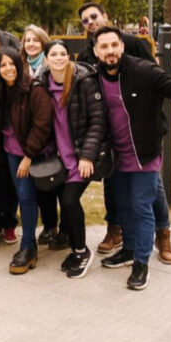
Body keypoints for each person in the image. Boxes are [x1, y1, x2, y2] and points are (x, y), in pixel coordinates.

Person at [93, 26, 171, 290]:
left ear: (122, 46)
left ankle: (141, 263)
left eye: (114, 45)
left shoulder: (143, 70)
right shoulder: (94, 77)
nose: (110, 51)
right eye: (104, 47)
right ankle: (129, 250)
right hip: (116, 157)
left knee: (141, 206)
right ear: (96, 51)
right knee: (124, 206)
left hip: (144, 154)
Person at [75, 2, 171, 263]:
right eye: (85, 21)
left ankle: (162, 233)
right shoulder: (87, 56)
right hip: (111, 134)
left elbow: (156, 80)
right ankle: (116, 230)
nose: (91, 22)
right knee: (114, 184)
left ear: (105, 15)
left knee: (153, 188)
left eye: (94, 17)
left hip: (142, 131)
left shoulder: (134, 44)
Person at [36, 40, 109, 278]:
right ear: (46, 59)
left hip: (79, 158)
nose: (58, 57)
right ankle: (75, 247)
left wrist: (87, 156)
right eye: (53, 54)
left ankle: (81, 251)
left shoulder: (83, 82)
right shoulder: (43, 84)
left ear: (69, 57)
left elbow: (98, 122)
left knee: (69, 201)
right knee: (63, 203)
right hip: (57, 160)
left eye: (63, 54)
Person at [0, 48, 54, 275]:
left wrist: (28, 156)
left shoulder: (34, 90)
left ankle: (28, 246)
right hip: (10, 153)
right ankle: (30, 240)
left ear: (19, 64)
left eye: (11, 64)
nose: (7, 69)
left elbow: (42, 124)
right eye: (2, 66)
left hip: (29, 154)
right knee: (22, 196)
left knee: (26, 197)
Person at [18, 25, 65, 248]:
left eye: (36, 40)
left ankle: (53, 226)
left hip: (51, 131)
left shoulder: (50, 65)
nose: (31, 44)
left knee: (50, 183)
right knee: (35, 183)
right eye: (28, 41)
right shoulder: (21, 66)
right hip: (27, 132)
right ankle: (48, 225)